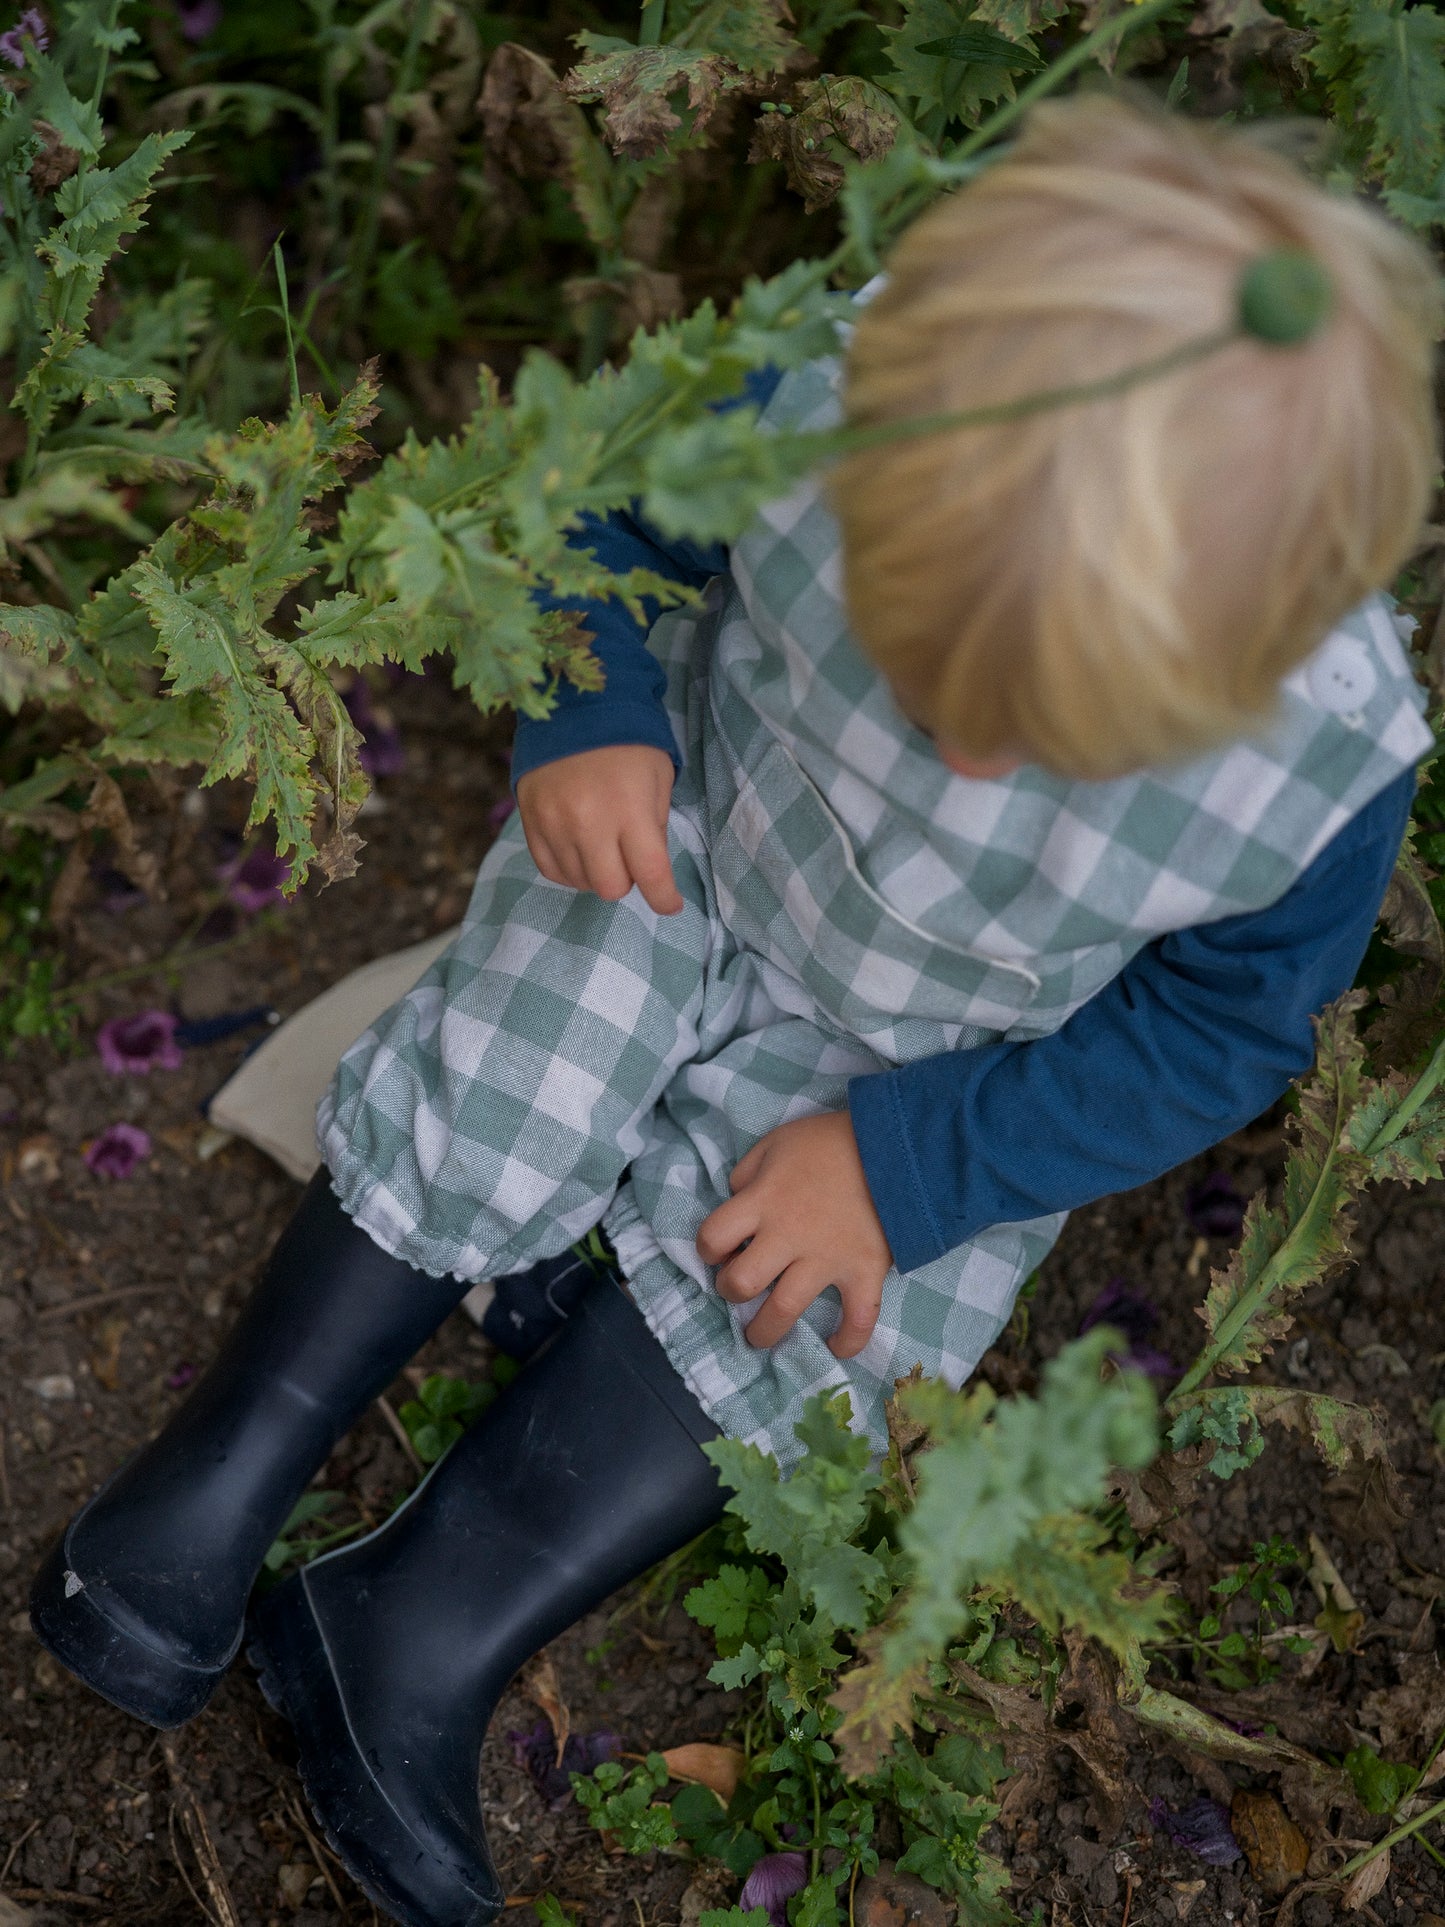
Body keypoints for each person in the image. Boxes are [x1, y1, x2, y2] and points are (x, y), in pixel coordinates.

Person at [31, 94, 1440, 1927]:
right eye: (928, 660)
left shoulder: (1320, 771)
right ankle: (217, 1476)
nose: (971, 749)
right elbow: (583, 509)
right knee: (520, 1063)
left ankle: (411, 1629)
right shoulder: (801, 390)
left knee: (816, 1309)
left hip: (943, 1051)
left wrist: (921, 1161)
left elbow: (1220, 1030)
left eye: (1056, 738)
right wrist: (591, 706)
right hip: (698, 836)